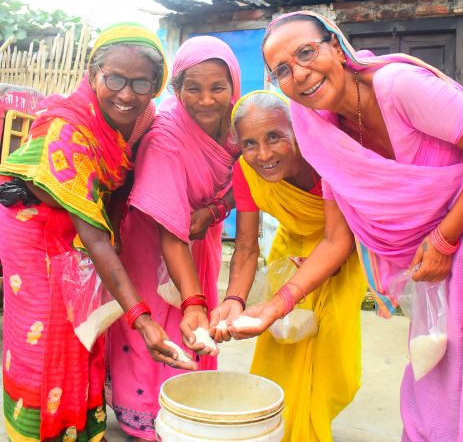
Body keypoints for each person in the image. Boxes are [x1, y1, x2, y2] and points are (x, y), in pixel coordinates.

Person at [261, 11, 463, 442]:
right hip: (443, 270)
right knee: (438, 397)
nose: (300, 73)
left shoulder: (399, 87)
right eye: (282, 70)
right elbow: (336, 239)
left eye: (307, 52)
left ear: (337, 47)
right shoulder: (314, 130)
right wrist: (273, 307)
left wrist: (444, 237)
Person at [0, 22, 193, 442]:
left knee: (84, 335)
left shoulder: (141, 119)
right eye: (115, 79)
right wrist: (142, 320)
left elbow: (120, 182)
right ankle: (37, 433)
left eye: (142, 82)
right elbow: (96, 239)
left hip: (83, 227)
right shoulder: (68, 129)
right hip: (35, 230)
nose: (127, 93)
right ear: (93, 75)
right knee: (46, 336)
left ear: (156, 84)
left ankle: (81, 430)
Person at [210, 90, 365, 442]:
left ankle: (309, 424)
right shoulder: (246, 172)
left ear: (297, 130)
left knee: (332, 366)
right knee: (282, 350)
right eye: (250, 143)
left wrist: (280, 300)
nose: (263, 154)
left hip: (340, 251)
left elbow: (337, 239)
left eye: (274, 137)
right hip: (290, 251)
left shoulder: (324, 158)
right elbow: (247, 247)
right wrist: (235, 299)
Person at [107, 35, 241, 441]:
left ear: (233, 86)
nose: (205, 100)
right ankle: (145, 416)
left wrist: (217, 210)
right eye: (192, 88)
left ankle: (187, 407)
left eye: (217, 87)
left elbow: (250, 182)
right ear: (177, 88)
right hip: (153, 243)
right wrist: (193, 299)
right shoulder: (165, 136)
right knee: (161, 320)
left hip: (203, 241)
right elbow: (170, 232)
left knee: (193, 322)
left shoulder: (239, 126)